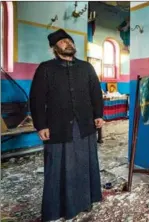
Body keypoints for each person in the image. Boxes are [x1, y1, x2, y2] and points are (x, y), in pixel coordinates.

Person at [29, 29, 104, 221]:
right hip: (58, 127)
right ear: (55, 48)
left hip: (84, 125)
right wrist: (41, 125)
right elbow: (37, 99)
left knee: (84, 164)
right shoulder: (45, 69)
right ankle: (57, 210)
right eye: (62, 42)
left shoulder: (86, 67)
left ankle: (85, 201)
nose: (68, 43)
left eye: (69, 40)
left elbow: (95, 93)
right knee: (58, 168)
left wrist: (99, 115)